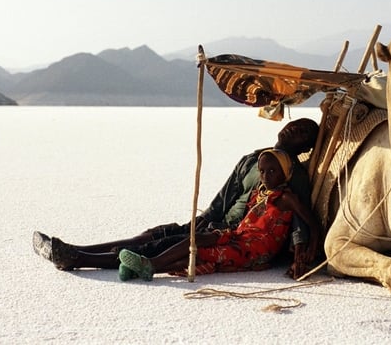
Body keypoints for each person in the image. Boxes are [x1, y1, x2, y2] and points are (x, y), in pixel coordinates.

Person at [33, 117, 321, 279]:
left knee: (160, 245)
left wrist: (300, 253)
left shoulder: (291, 176)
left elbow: (298, 220)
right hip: (216, 223)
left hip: (233, 234)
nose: (295, 128)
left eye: (304, 132)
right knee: (152, 235)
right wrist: (205, 217)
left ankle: (77, 258)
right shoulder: (253, 159)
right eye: (297, 123)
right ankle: (79, 250)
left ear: (304, 146)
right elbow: (225, 195)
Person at [118, 149, 322, 280]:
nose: (265, 176)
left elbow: (310, 222)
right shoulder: (262, 192)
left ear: (285, 173)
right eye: (262, 171)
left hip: (255, 248)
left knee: (204, 255)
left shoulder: (287, 198)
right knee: (200, 238)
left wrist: (308, 248)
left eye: (272, 172)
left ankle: (152, 265)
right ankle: (146, 266)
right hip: (241, 237)